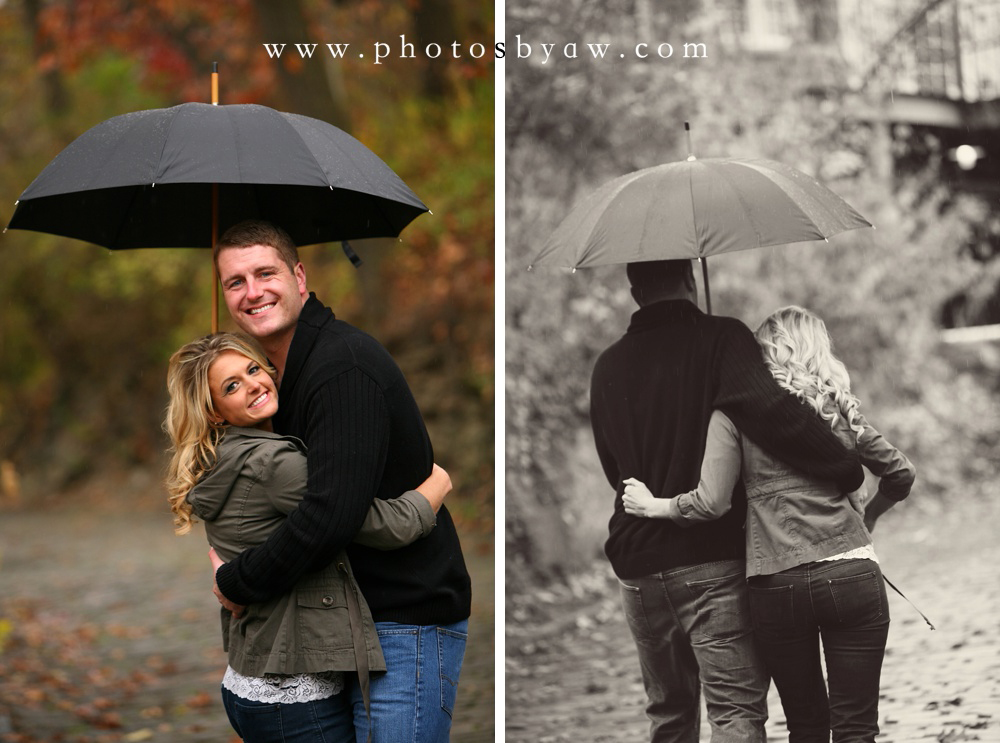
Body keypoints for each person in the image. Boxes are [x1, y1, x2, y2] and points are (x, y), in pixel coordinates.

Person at [209, 220, 472, 742]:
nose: (252, 291)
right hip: (338, 622)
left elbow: (329, 517)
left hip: (401, 617)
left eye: (265, 273)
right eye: (235, 282)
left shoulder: (340, 367)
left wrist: (236, 582)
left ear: (300, 277)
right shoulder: (272, 381)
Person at [589, 259, 866, 743]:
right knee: (735, 712)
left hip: (637, 569)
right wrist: (842, 464)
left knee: (669, 715)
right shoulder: (722, 339)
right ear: (691, 279)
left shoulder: (607, 365)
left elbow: (614, 467)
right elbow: (778, 417)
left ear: (635, 291)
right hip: (709, 560)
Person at [623, 305, 915, 743]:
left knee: (807, 726)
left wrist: (656, 506)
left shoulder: (733, 416)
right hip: (850, 569)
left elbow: (711, 502)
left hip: (777, 586)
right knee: (856, 728)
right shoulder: (839, 409)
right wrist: (867, 517)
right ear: (820, 351)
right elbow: (900, 474)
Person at [164, 332, 451, 742]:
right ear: (215, 413)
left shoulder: (222, 457)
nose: (253, 385)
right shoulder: (274, 462)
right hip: (292, 695)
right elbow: (378, 525)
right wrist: (435, 487)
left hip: (250, 682)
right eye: (231, 386)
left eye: (252, 369)